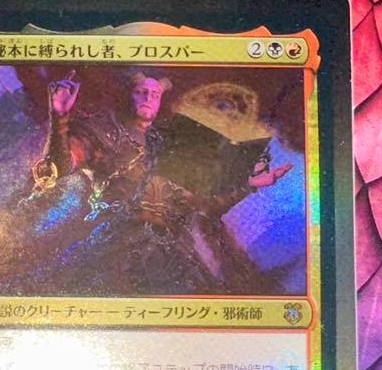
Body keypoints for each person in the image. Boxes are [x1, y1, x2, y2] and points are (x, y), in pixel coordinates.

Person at [24, 68, 292, 295]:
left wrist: (248, 186)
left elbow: (199, 204)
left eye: (155, 94)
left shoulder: (167, 144)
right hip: (116, 245)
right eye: (141, 91)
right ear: (129, 94)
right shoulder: (105, 131)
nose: (148, 98)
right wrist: (59, 117)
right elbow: (58, 168)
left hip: (170, 257)